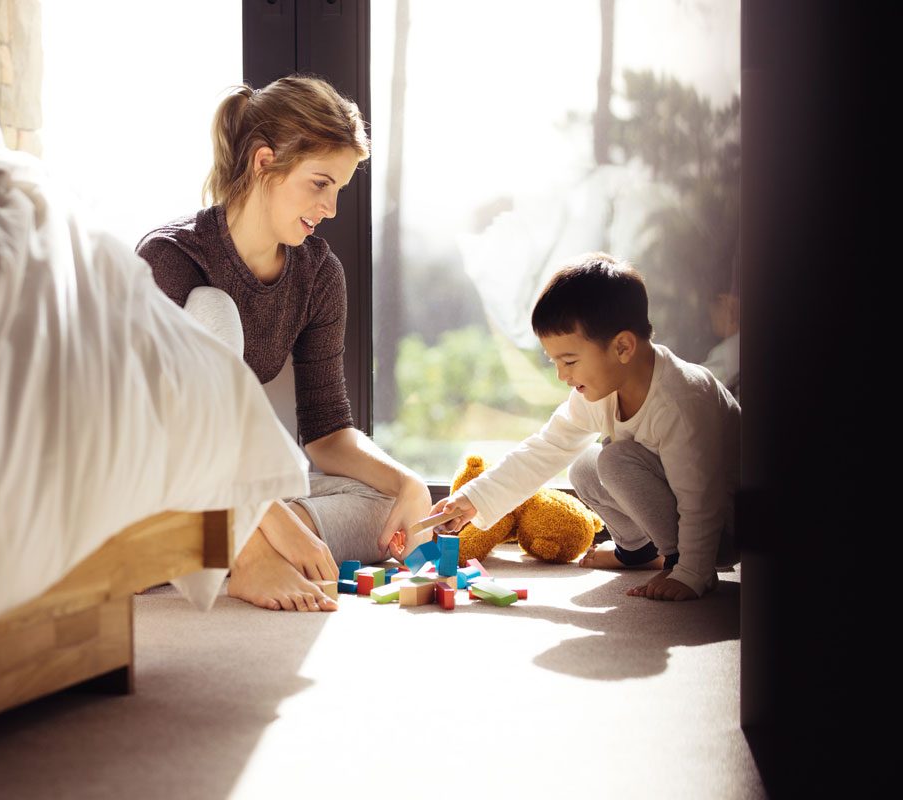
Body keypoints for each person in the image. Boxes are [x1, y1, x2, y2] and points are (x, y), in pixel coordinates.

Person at [136, 76, 430, 612]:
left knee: (384, 503)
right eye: (320, 183)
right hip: (155, 476)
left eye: (339, 188)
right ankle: (247, 554)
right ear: (264, 162)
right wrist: (264, 513)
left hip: (229, 496)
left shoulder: (318, 273)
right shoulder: (169, 257)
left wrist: (409, 483)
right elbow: (167, 427)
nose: (332, 208)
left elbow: (326, 433)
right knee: (212, 309)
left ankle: (240, 541)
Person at [430, 253, 740, 601]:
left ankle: (678, 559)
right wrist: (473, 499)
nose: (562, 376)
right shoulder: (600, 393)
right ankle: (638, 551)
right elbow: (544, 450)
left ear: (622, 347)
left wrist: (692, 571)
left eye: (570, 361)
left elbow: (701, 498)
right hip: (676, 503)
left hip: (723, 527)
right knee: (584, 465)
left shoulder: (681, 400)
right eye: (555, 363)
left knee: (615, 460)